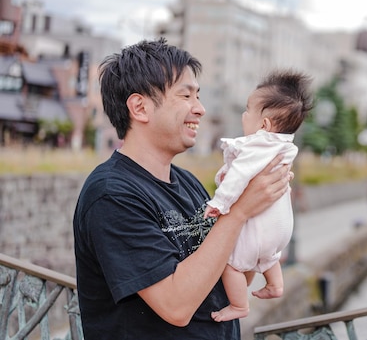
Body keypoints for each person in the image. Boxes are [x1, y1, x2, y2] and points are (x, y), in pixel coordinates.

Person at [73, 38, 291, 340]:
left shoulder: (187, 182)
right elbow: (176, 306)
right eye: (185, 95)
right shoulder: (112, 194)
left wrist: (264, 218)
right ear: (140, 107)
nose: (200, 109)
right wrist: (239, 212)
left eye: (198, 96)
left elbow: (231, 274)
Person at [204, 69, 313, 322]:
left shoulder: (256, 145)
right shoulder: (285, 147)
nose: (243, 115)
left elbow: (239, 175)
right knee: (268, 255)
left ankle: (239, 305)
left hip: (259, 226)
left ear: (264, 125)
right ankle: (276, 285)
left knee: (230, 263)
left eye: (247, 110)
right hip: (280, 226)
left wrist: (219, 202)